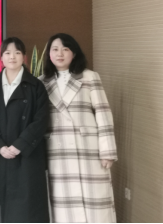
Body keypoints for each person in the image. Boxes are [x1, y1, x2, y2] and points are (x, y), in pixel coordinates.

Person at [40, 33, 117, 223]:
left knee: (95, 201)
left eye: (65, 49)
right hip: (58, 151)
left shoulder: (89, 77)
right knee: (64, 204)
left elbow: (103, 113)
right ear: (49, 54)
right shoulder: (41, 82)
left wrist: (107, 151)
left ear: (74, 53)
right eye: (55, 49)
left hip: (88, 149)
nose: (59, 54)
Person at [0, 37, 50, 223]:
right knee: (0, 205)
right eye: (7, 53)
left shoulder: (36, 86)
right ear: (1, 58)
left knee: (27, 208)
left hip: (28, 154)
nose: (12, 57)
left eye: (17, 52)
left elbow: (41, 120)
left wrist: (19, 145)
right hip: (0, 155)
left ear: (24, 57)